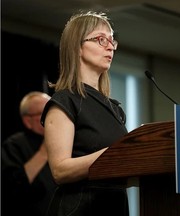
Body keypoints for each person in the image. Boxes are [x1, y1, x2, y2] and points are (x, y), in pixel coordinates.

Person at [40, 11, 129, 216]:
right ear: (77, 47)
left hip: (115, 204)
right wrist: (111, 154)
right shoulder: (64, 101)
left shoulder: (115, 109)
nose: (110, 46)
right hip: (81, 206)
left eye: (112, 41)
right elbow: (60, 171)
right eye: (100, 39)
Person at [1, 91, 57, 216]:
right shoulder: (14, 144)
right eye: (43, 112)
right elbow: (12, 188)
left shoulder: (66, 139)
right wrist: (43, 154)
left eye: (52, 111)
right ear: (27, 120)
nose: (51, 116)